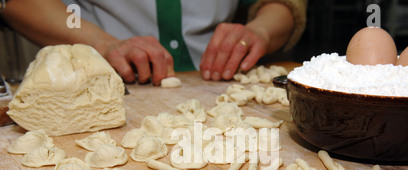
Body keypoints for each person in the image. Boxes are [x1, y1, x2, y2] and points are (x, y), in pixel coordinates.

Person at [0, 0, 308, 85]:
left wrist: (261, 31)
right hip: (104, 81)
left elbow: (282, 4)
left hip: (224, 82)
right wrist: (103, 43)